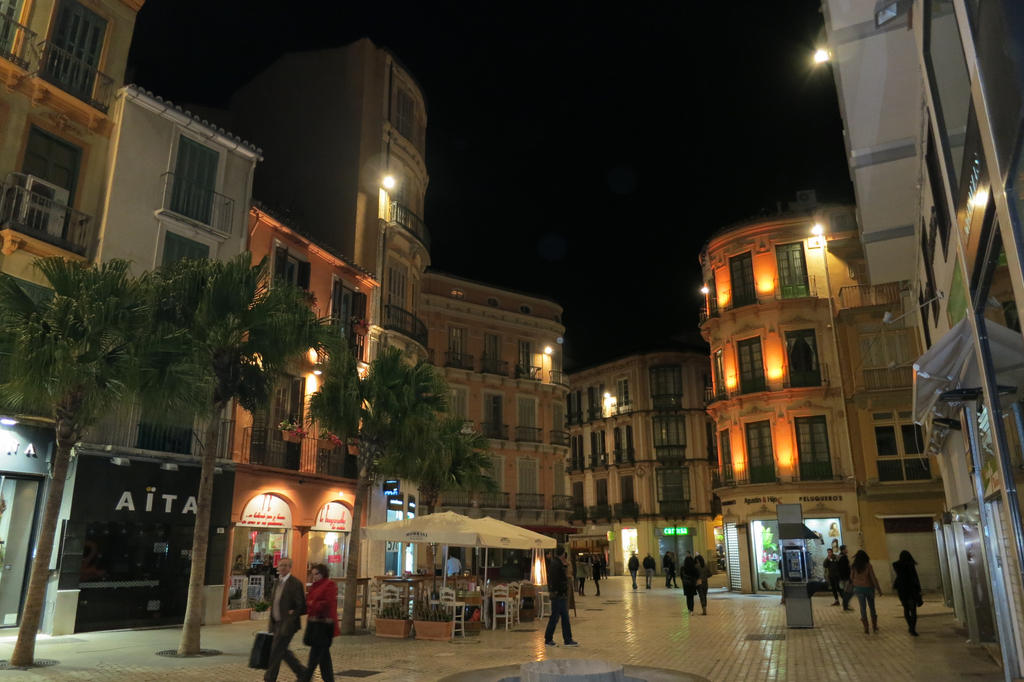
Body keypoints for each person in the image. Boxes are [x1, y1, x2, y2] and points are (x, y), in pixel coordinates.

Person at [264, 557, 307, 682]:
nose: (282, 568)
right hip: (276, 623)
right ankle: (302, 672)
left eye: (285, 565)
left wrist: (292, 614)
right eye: (280, 565)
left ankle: (269, 678)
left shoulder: (295, 583)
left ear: (290, 568)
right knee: (282, 651)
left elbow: (301, 605)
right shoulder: (277, 582)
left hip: (288, 624)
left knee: (276, 651)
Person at [301, 563, 338, 682]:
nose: (314, 577)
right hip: (315, 625)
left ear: (323, 573)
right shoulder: (313, 586)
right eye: (312, 574)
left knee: (314, 658)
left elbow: (327, 604)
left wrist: (313, 604)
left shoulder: (329, 585)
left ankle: (305, 679)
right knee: (323, 658)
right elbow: (309, 603)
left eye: (316, 574)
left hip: (323, 625)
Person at [544, 546, 580, 647]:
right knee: (556, 617)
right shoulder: (556, 564)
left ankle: (567, 639)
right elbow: (557, 580)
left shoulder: (555, 563)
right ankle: (549, 639)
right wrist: (560, 590)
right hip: (558, 595)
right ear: (563, 554)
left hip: (558, 594)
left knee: (563, 617)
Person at [850, 549, 882, 634]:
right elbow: (873, 578)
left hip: (858, 589)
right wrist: (878, 589)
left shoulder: (854, 566)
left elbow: (851, 577)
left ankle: (866, 628)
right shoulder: (868, 565)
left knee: (862, 608)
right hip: (869, 588)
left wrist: (854, 584)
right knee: (872, 607)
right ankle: (874, 626)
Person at [892, 550, 923, 636]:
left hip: (902, 590)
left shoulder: (896, 565)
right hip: (911, 589)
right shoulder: (910, 565)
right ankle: (912, 628)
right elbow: (915, 577)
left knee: (906, 608)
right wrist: (919, 589)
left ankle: (910, 626)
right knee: (913, 610)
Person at [837, 544, 853, 611]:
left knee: (845, 591)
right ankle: (845, 605)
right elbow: (844, 569)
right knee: (848, 592)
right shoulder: (843, 558)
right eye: (846, 549)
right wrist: (849, 577)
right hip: (845, 577)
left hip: (842, 577)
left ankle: (845, 605)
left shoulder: (840, 557)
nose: (847, 550)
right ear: (843, 550)